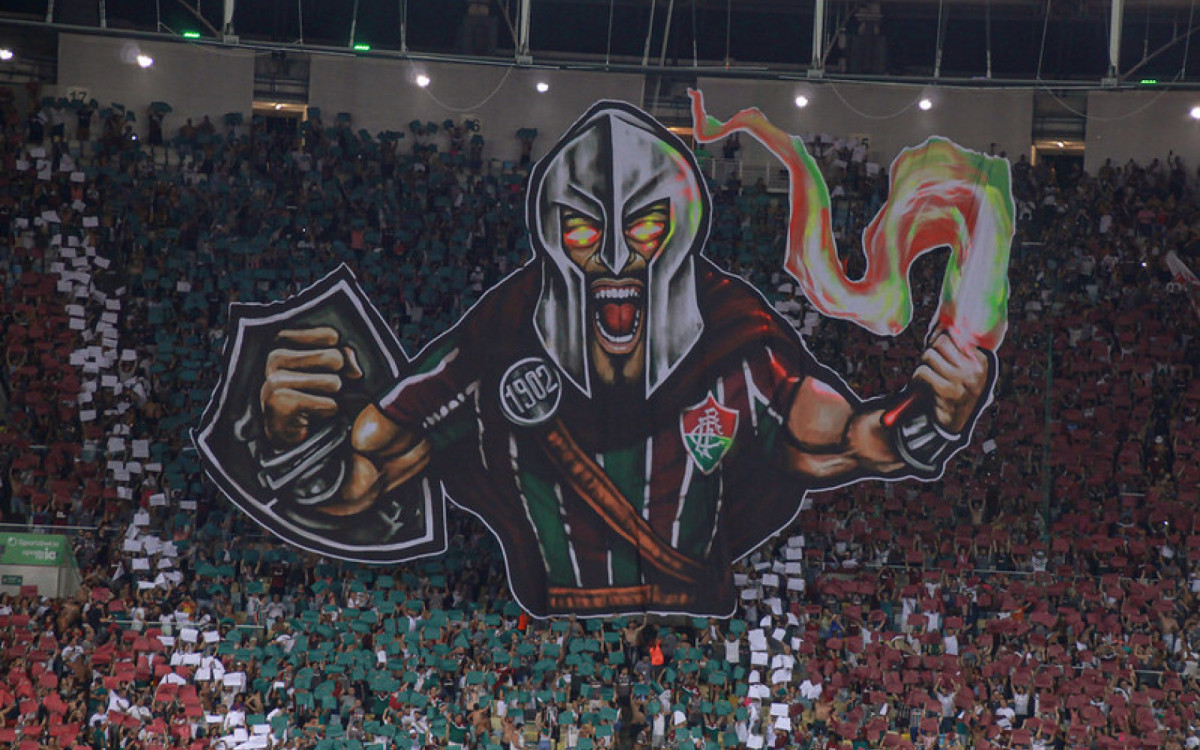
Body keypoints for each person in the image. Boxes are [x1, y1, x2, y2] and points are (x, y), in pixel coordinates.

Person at [246, 101, 995, 617]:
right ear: (549, 234)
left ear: (680, 231)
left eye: (642, 225)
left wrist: (929, 416)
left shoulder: (737, 344)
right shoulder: (496, 342)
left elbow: (845, 438)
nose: (611, 253)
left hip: (689, 616)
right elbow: (366, 470)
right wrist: (296, 439)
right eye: (581, 229)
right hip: (553, 612)